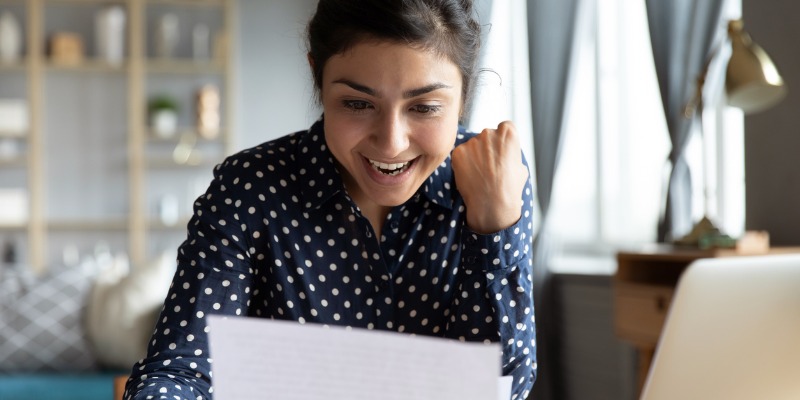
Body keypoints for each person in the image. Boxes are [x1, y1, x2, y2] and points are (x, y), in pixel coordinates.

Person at [124, 0, 537, 399]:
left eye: (425, 107)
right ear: (317, 77)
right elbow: (182, 368)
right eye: (357, 103)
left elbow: (503, 386)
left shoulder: (496, 178)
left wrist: (494, 226)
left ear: (464, 95)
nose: (391, 143)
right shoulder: (250, 187)